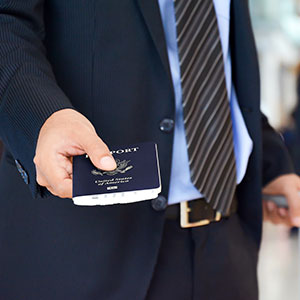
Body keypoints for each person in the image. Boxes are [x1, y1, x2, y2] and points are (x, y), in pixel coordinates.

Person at [0, 0, 300, 299]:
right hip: (85, 248)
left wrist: (272, 163)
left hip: (226, 244)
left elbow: (217, 65)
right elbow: (7, 19)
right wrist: (41, 118)